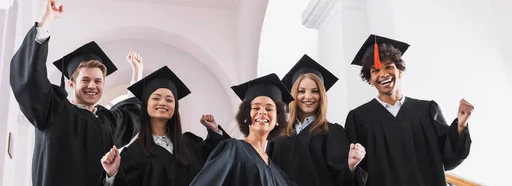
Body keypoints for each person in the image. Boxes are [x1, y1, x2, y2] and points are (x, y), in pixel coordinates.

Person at [9, 1, 141, 185]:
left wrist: (137, 74)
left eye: (98, 81)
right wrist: (45, 21)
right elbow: (31, 80)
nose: (92, 86)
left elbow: (131, 114)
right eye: (85, 80)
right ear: (71, 83)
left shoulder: (107, 122)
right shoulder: (53, 109)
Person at [345, 34, 474, 186]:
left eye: (389, 66)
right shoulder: (359, 119)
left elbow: (448, 157)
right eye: (375, 70)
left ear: (400, 71)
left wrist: (460, 125)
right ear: (370, 80)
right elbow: (356, 171)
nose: (383, 74)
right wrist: (351, 166)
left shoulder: (427, 110)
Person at [100, 66, 231, 186]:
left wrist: (215, 131)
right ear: (145, 105)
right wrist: (112, 173)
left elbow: (218, 162)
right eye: (156, 98)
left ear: (175, 107)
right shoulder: (134, 152)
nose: (163, 103)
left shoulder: (190, 143)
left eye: (169, 100)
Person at [267, 54, 367, 186]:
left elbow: (343, 180)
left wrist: (351, 167)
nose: (308, 96)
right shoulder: (278, 133)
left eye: (315, 91)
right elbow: (268, 173)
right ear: (294, 95)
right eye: (301, 91)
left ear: (322, 96)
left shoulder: (333, 132)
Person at [190, 73, 297, 186]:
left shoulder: (278, 174)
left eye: (269, 109)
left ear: (277, 120)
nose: (262, 112)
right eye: (256, 107)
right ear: (246, 117)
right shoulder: (233, 149)